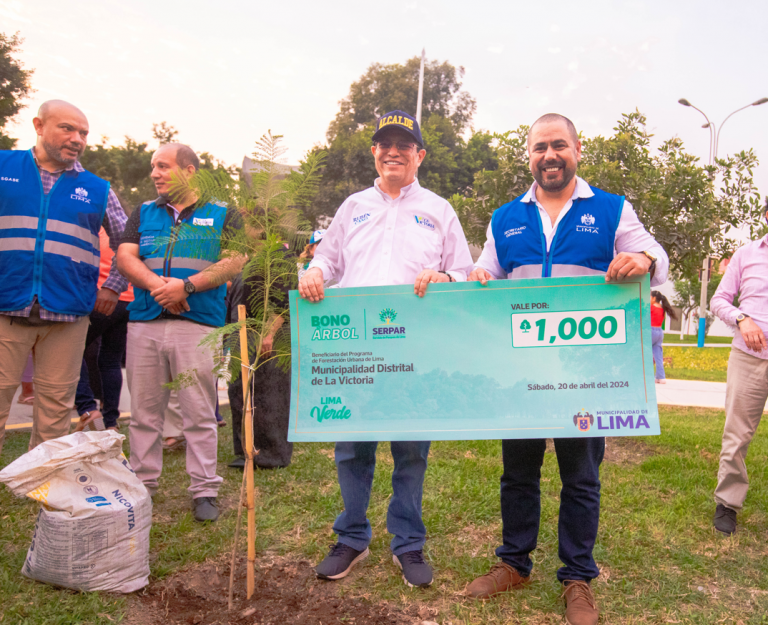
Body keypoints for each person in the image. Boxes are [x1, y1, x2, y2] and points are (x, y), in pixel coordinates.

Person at [466, 113, 668, 625]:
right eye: (540, 148)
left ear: (577, 150)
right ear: (529, 156)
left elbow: (655, 255)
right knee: (518, 473)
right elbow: (487, 270)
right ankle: (514, 563)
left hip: (587, 373)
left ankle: (577, 577)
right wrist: (479, 275)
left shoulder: (611, 209)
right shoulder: (505, 217)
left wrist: (641, 258)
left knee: (581, 476)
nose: (549, 155)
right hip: (521, 374)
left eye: (559, 145)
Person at [298, 109, 474, 588]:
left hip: (414, 351)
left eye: (404, 144)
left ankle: (408, 543)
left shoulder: (439, 209)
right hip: (356, 350)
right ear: (375, 152)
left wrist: (445, 277)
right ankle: (352, 537)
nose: (393, 151)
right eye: (385, 144)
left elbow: (464, 271)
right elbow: (325, 260)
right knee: (352, 448)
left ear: (420, 154)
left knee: (411, 450)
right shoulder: (353, 205)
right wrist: (312, 273)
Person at [117, 142, 244, 522]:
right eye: (153, 166)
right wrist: (162, 287)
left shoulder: (222, 212)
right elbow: (126, 256)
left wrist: (186, 287)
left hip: (197, 326)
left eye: (163, 166)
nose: (155, 173)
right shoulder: (143, 213)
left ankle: (204, 489)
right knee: (143, 414)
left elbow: (235, 260)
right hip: (145, 323)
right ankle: (143, 487)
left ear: (190, 171)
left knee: (199, 413)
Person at [0, 100, 128, 455]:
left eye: (83, 133)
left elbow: (127, 244)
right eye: (67, 129)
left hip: (68, 316)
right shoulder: (3, 166)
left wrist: (114, 286)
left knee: (56, 411)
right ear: (39, 125)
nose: (77, 139)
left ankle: (44, 483)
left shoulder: (98, 188)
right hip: (5, 307)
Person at [709, 201, 768, 536]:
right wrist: (742, 319)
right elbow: (719, 300)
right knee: (737, 433)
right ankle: (727, 505)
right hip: (749, 356)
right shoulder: (747, 255)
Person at [74, 226, 135, 432]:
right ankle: (110, 422)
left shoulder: (91, 228)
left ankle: (87, 408)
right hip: (126, 300)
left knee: (71, 351)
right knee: (111, 361)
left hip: (101, 297)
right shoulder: (125, 234)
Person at [650, 291, 677, 385]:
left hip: (651, 331)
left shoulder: (650, 307)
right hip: (660, 332)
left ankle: (648, 376)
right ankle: (661, 377)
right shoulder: (663, 309)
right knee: (658, 356)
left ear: (653, 298)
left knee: (647, 354)